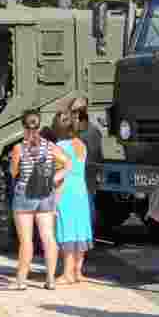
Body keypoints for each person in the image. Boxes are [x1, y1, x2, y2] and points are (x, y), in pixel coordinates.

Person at [9, 109, 71, 290]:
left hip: (24, 196)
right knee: (48, 237)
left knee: (26, 241)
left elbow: (14, 172)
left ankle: (21, 280)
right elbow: (68, 164)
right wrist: (54, 178)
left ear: (23, 126)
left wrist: (17, 165)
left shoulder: (19, 148)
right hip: (46, 194)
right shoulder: (51, 147)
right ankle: (50, 279)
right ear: (39, 124)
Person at [51, 112, 94, 285]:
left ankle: (67, 273)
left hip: (66, 189)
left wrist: (54, 197)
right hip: (81, 189)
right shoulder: (82, 145)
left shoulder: (59, 146)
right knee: (80, 229)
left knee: (66, 229)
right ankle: (78, 271)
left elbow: (59, 174)